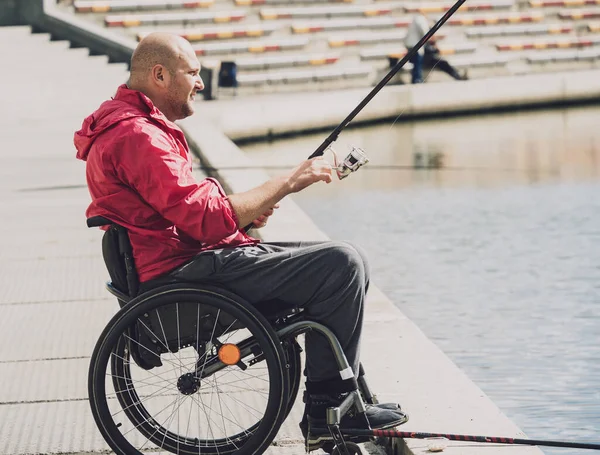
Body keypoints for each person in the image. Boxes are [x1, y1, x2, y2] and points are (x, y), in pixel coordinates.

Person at [74, 32, 406, 451]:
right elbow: (203, 218)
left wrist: (244, 217)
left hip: (182, 265)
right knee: (342, 264)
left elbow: (183, 213)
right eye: (192, 73)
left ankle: (340, 400)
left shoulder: (131, 128)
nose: (199, 82)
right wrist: (286, 182)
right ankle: (328, 408)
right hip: (183, 279)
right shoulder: (138, 136)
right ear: (159, 75)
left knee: (331, 264)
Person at [404, 13, 468, 83]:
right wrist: (437, 39)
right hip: (422, 54)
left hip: (422, 52)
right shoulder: (421, 22)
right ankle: (417, 79)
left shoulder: (417, 24)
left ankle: (457, 75)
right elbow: (428, 38)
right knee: (440, 62)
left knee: (441, 62)